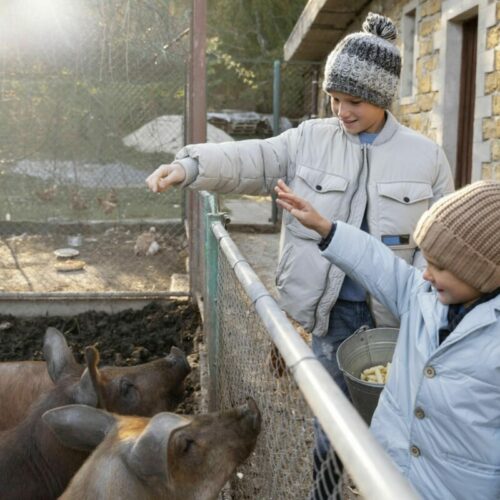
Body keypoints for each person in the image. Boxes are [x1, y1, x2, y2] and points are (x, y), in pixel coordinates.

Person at [146, 12, 454, 498]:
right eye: (335, 98)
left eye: (353, 101)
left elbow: (439, 239)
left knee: (400, 428)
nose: (341, 110)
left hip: (396, 318)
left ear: (382, 98)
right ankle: (325, 494)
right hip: (331, 315)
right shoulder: (311, 138)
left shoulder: (426, 157)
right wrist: (189, 166)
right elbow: (252, 158)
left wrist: (427, 306)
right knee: (329, 429)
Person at [275, 179, 500, 499]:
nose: (425, 273)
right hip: (389, 477)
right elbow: (377, 263)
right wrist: (326, 228)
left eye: (439, 266)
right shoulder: (421, 297)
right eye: (426, 261)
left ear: (480, 272)